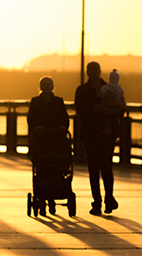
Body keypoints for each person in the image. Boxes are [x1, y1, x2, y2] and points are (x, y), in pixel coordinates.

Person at [75, 61, 119, 216]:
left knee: (106, 166)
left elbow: (119, 109)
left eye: (96, 69)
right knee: (93, 169)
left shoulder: (110, 88)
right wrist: (96, 110)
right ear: (87, 72)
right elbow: (80, 110)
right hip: (90, 134)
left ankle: (109, 198)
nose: (93, 71)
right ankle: (97, 202)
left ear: (100, 71)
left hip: (107, 133)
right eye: (90, 69)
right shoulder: (82, 90)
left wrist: (107, 112)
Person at [27, 76, 70, 214]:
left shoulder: (58, 101)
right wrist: (35, 127)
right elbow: (31, 118)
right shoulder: (35, 101)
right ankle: (45, 199)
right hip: (41, 138)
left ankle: (51, 197)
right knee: (41, 164)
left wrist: (63, 126)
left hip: (56, 137)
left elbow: (64, 117)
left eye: (49, 84)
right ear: (40, 87)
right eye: (44, 84)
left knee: (57, 162)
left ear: (53, 86)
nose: (46, 86)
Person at [98, 69, 126, 136]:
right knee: (115, 117)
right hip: (116, 106)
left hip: (109, 105)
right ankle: (117, 127)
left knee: (106, 116)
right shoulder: (119, 88)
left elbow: (101, 93)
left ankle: (107, 127)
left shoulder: (106, 87)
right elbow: (121, 96)